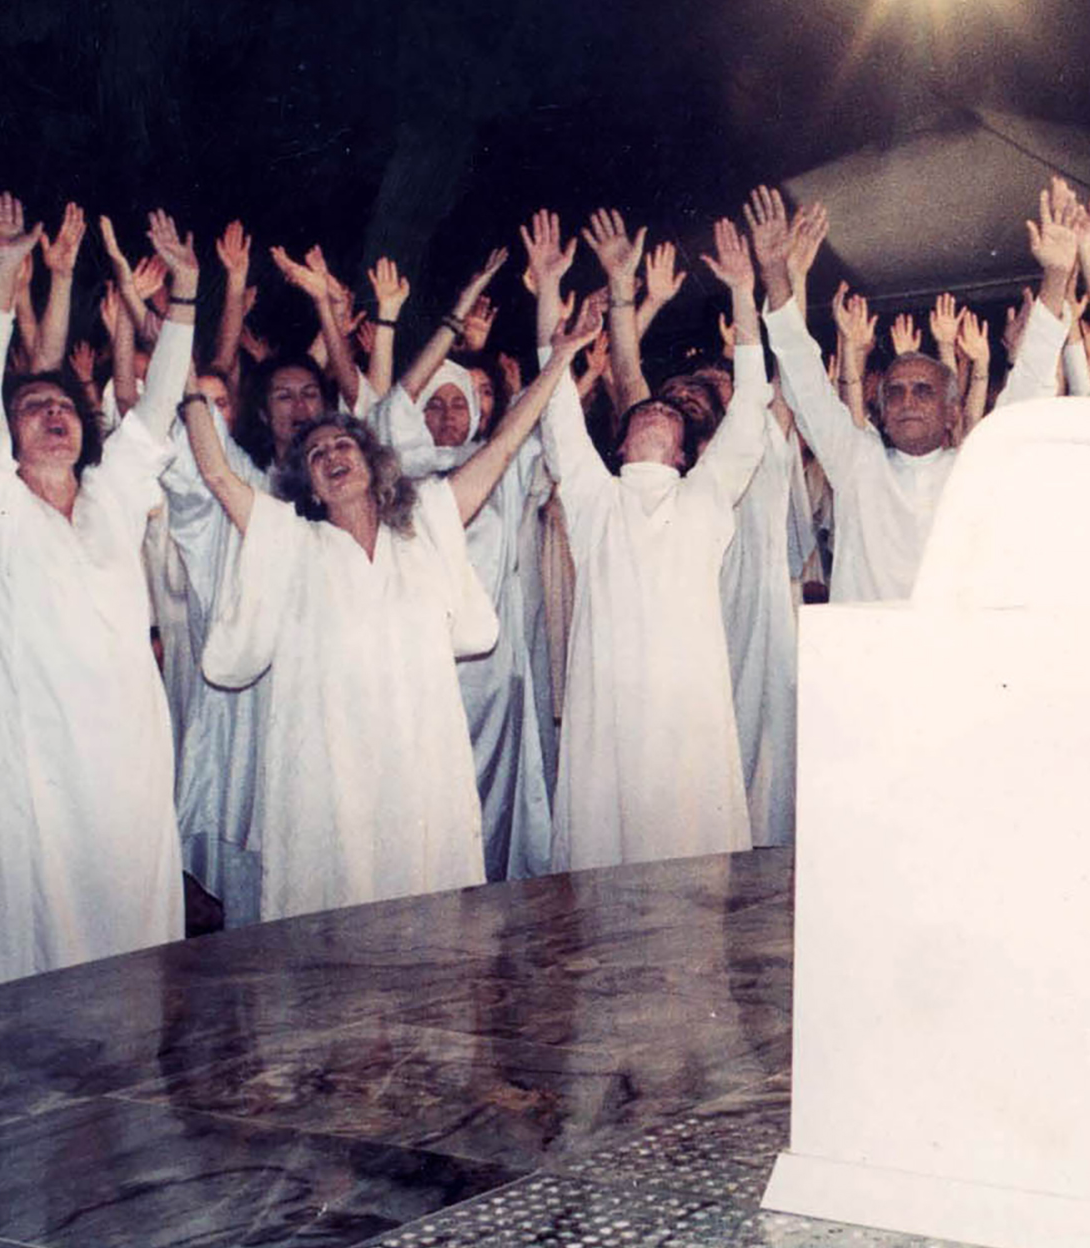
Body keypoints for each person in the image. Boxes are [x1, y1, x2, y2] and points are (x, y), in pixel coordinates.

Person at [177, 303, 595, 919]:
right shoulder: (291, 540)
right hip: (325, 774)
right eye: (316, 455)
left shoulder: (425, 526)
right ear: (309, 487)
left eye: (344, 442)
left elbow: (505, 446)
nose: (331, 454)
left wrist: (559, 359)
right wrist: (185, 381)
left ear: (375, 466)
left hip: (419, 761)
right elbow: (215, 473)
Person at [0, 196, 193, 992]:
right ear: (10, 432)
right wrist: (4, 270)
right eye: (35, 408)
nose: (54, 415)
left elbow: (157, 407)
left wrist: (183, 299)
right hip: (31, 753)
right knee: (37, 942)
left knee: (132, 934)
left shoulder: (114, 493)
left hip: (126, 747)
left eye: (64, 407)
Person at [542, 215, 771, 870]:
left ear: (684, 451)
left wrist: (743, 290)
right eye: (648, 406)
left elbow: (751, 400)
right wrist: (589, 296)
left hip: (685, 720)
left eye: (671, 413)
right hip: (606, 721)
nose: (658, 407)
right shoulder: (595, 502)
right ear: (620, 443)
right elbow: (556, 414)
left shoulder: (704, 498)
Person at [369, 246, 558, 881]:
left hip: (490, 671)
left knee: (491, 805)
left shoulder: (499, 465)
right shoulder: (398, 471)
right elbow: (395, 396)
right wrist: (455, 312)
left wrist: (554, 333)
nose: (447, 415)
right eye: (436, 405)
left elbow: (539, 413)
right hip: (424, 668)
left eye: (460, 405)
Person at [751, 187, 958, 602]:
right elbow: (805, 381)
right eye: (895, 393)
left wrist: (1059, 279)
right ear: (881, 412)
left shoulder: (973, 468)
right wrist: (776, 274)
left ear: (951, 412)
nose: (907, 401)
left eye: (923, 390)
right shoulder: (858, 462)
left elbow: (1031, 383)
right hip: (865, 657)